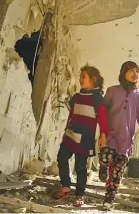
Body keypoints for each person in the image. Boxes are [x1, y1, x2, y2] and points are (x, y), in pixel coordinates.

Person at [98, 61, 139, 210]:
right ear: (123, 72)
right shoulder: (112, 91)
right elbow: (102, 112)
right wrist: (102, 134)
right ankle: (103, 166)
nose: (135, 74)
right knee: (105, 158)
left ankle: (109, 199)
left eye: (137, 71)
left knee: (117, 174)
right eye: (131, 70)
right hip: (109, 135)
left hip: (125, 141)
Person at [53, 65, 108, 207]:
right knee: (62, 157)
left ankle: (79, 195)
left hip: (85, 138)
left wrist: (103, 135)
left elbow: (102, 119)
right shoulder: (76, 97)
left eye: (83, 76)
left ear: (93, 79)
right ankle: (65, 186)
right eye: (80, 76)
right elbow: (71, 115)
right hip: (70, 135)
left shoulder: (98, 99)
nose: (80, 79)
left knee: (80, 167)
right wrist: (66, 129)